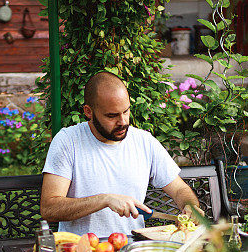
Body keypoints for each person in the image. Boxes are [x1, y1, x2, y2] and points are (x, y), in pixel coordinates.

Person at [41, 71, 201, 237]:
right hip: (82, 251)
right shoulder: (68, 141)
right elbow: (49, 208)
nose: (123, 122)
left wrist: (189, 206)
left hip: (133, 250)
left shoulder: (144, 141)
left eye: (126, 111)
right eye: (112, 116)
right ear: (89, 112)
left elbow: (179, 188)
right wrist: (104, 200)